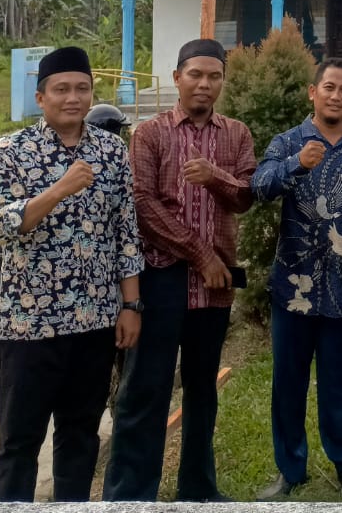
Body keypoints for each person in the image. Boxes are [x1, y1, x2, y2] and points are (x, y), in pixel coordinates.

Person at [0, 46, 143, 503]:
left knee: (80, 435)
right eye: (62, 89)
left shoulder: (112, 151)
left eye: (82, 88)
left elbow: (126, 232)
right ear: (41, 97)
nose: (73, 98)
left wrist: (131, 305)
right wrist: (59, 190)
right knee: (19, 441)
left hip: (94, 322)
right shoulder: (10, 152)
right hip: (30, 325)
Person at [104, 39, 257, 502]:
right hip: (162, 278)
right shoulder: (150, 134)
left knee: (202, 390)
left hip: (215, 285)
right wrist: (200, 254)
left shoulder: (237, 135)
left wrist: (215, 176)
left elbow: (246, 197)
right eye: (195, 74)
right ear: (177, 78)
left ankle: (198, 491)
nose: (204, 84)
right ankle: (131, 497)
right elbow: (142, 204)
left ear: (223, 81)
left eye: (214, 76)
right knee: (145, 389)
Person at [252, 56, 342, 502]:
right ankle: (290, 468)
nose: (336, 95)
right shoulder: (288, 142)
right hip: (293, 288)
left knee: (340, 381)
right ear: (313, 92)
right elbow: (259, 186)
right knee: (288, 384)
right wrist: (296, 163)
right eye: (328, 87)